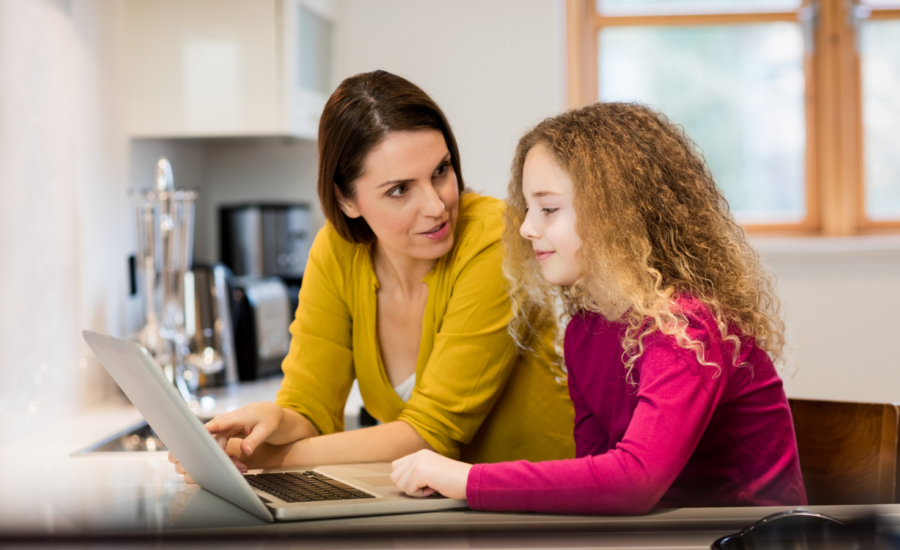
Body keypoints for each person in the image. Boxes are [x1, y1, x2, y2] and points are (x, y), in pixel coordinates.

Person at [390, 102, 808, 514]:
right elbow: (593, 480)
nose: (526, 227)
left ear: (617, 215)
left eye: (549, 209)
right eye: (528, 208)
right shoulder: (584, 332)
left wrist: (466, 480)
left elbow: (633, 482)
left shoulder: (687, 326)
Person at [170, 71, 574, 480]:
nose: (436, 205)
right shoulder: (337, 252)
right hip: (436, 508)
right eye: (400, 189)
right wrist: (271, 420)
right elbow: (311, 410)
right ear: (345, 200)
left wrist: (254, 458)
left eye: (441, 170)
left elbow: (430, 434)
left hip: (540, 504)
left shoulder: (494, 238)